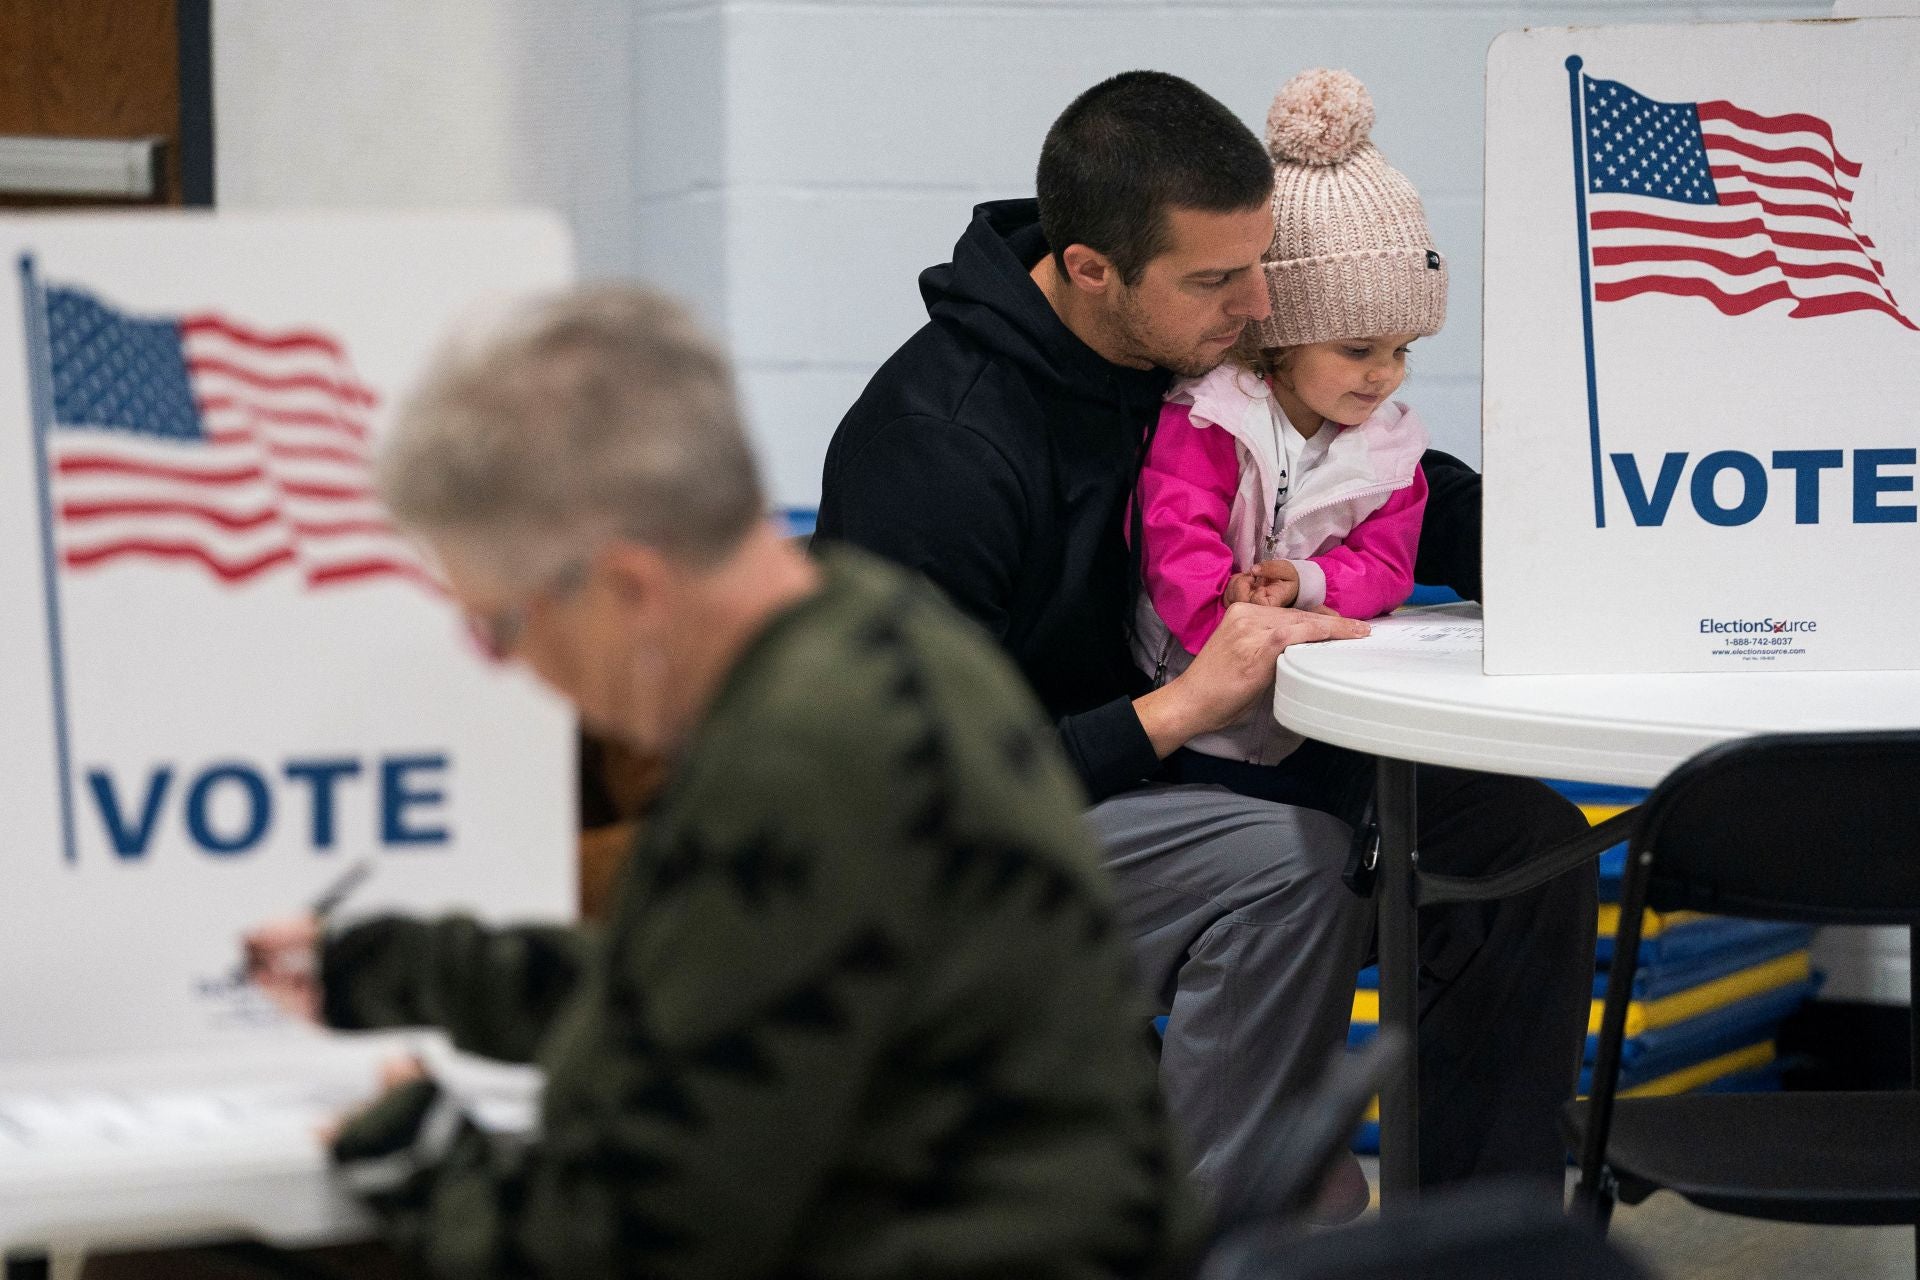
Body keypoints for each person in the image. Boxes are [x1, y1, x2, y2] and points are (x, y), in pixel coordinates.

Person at [243, 286, 1199, 1279]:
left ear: (627, 590)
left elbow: (629, 1241)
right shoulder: (875, 630)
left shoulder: (803, 753)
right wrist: (389, 970)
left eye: (503, 625)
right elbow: (681, 989)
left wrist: (421, 1154)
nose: (514, 668)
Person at [815, 70, 1595, 1213]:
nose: (1258, 305)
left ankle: (1478, 1240)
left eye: (1261, 264)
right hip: (979, 842)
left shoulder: (1197, 353)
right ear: (1091, 269)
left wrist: (1586, 555)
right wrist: (1183, 707)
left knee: (1522, 845)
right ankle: (1216, 1227)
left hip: (1204, 761)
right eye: (1218, 280)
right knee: (1287, 870)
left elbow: (1407, 490)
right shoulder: (938, 446)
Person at [1135, 69, 1439, 802]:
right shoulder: (1210, 418)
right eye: (1358, 350)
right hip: (1196, 715)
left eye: (1402, 351)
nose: (1384, 377)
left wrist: (1311, 583)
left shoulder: (1392, 451)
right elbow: (1175, 538)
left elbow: (1389, 567)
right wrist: (1229, 621)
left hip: (1314, 721)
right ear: (1284, 340)